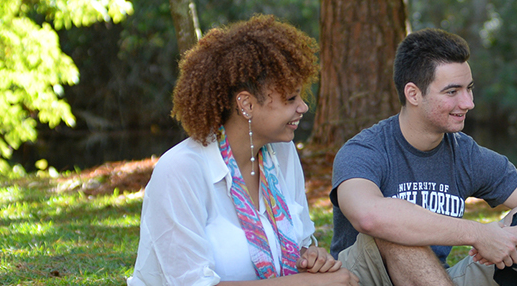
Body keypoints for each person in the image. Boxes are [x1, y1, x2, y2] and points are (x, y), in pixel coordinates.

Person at [329, 28, 517, 286]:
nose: (468, 103)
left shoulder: (465, 154)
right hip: (363, 279)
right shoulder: (364, 151)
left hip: (435, 278)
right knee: (393, 229)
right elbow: (368, 216)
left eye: (469, 89)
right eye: (452, 92)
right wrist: (478, 233)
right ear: (413, 94)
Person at [129, 15, 357, 286]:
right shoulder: (180, 171)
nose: (303, 107)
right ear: (246, 104)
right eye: (290, 99)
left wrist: (311, 258)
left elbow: (299, 247)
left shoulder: (281, 154)